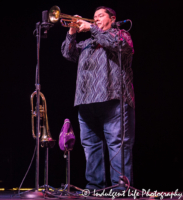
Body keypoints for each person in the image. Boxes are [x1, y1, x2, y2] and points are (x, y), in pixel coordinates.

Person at [61, 6, 135, 191]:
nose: (95, 19)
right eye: (94, 17)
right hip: (86, 102)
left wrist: (91, 29)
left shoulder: (121, 35)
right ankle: (95, 188)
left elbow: (117, 45)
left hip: (113, 99)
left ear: (112, 18)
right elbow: (68, 54)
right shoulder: (88, 43)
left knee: (117, 145)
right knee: (90, 146)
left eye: (100, 16)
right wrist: (72, 31)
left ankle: (120, 189)